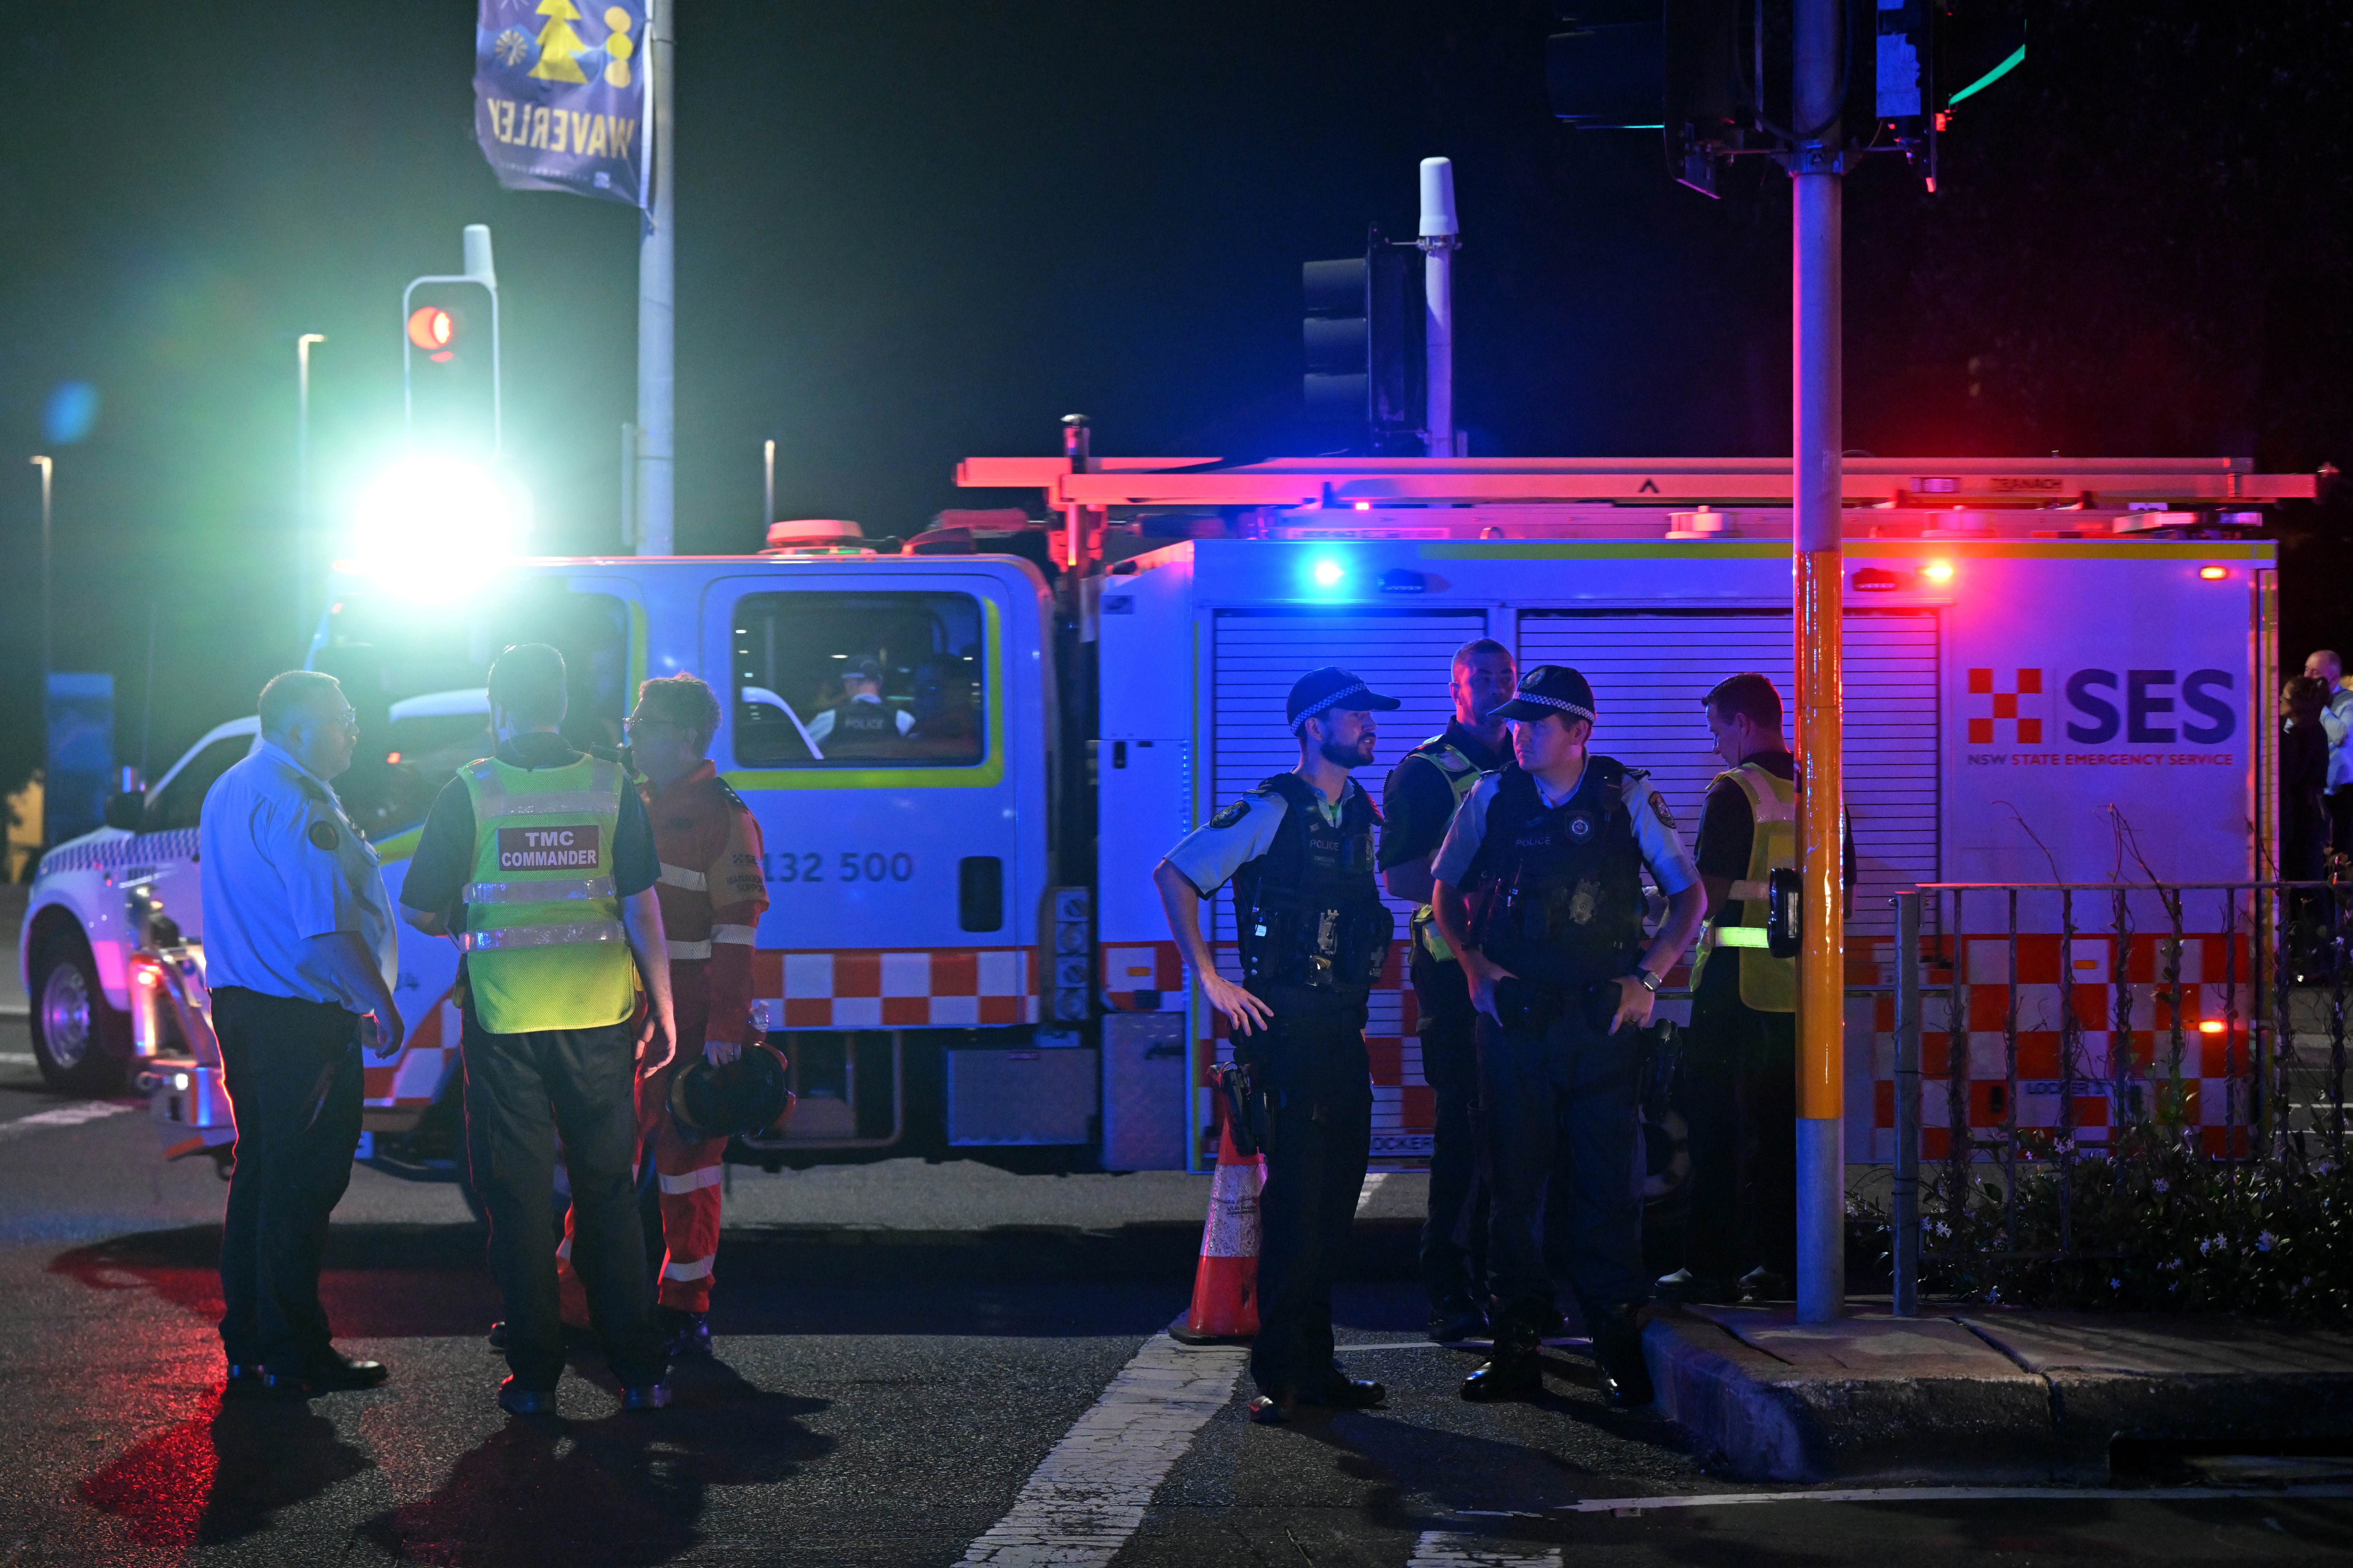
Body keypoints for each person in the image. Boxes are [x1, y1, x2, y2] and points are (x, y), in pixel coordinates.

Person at [398, 643, 679, 1416]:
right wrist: (666, 1009)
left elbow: (419, 907)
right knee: (608, 1195)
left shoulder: (470, 791)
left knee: (518, 1201)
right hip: (599, 1016)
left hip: (506, 1019)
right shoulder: (609, 783)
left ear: (498, 706)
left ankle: (534, 1380)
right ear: (562, 702)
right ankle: (642, 1372)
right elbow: (642, 906)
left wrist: (471, 921)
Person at [1431, 665, 1706, 1406]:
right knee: (1512, 1184)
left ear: (1580, 731)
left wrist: (1647, 978)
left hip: (1600, 1023)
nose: (1516, 733)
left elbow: (1690, 897)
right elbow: (1444, 889)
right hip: (1517, 1024)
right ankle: (1515, 1348)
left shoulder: (1626, 796)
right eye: (1514, 721)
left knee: (1606, 1187)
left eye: (1534, 723)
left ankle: (1617, 1342)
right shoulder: (1492, 794)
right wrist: (1473, 964)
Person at [1152, 666, 1400, 1425]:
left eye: (1368, 715)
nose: (1369, 725)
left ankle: (1316, 1366)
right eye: (1355, 714)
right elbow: (1175, 873)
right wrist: (1210, 978)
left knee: (1332, 1205)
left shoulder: (1361, 810)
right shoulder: (1268, 809)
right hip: (1284, 1031)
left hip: (1339, 1030)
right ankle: (1281, 1374)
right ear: (1313, 725)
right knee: (1295, 1207)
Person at [199, 670, 404, 1399]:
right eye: (340, 718)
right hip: (298, 1019)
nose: (353, 728)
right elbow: (325, 926)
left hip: (244, 1009)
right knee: (302, 1182)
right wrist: (379, 998)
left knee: (261, 1174)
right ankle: (293, 1346)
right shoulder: (301, 802)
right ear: (295, 729)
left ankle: (250, 1339)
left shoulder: (230, 786)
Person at [554, 674, 771, 1359]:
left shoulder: (724, 817)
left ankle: (683, 1306)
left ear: (682, 736)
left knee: (686, 1167)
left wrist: (726, 1035)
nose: (630, 733)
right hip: (625, 1012)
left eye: (643, 725)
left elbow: (736, 933)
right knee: (601, 1162)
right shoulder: (636, 801)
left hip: (690, 1018)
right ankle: (569, 1307)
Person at [1378, 637, 1516, 1345]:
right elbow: (1401, 879)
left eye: (1504, 675)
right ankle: (1450, 1290)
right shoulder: (1425, 772)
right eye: (1480, 676)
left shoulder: (1532, 762)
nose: (1493, 686)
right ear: (1456, 687)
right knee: (1463, 1131)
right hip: (1454, 973)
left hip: (1525, 975)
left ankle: (1508, 1285)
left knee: (1519, 1135)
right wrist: (1471, 876)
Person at [1659, 673, 1801, 1306]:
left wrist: (1654, 916)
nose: (1716, 746)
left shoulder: (1733, 792)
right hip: (1799, 995)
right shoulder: (1822, 791)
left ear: (1743, 723)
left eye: (1717, 730)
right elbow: (1841, 899)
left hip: (1730, 992)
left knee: (1714, 1132)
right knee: (1783, 1137)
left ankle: (1709, 1265)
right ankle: (1781, 1265)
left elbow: (1707, 895)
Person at [807, 656, 913, 751]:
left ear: (850, 683)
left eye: (845, 682)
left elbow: (800, 748)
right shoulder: (903, 720)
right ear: (880, 682)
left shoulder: (831, 719)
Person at [2304, 651, 2353, 857]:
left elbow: (2342, 736)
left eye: (2315, 672)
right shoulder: (2307, 702)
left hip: (2342, 794)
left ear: (2333, 678)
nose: (2307, 676)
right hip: (2316, 790)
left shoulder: (2348, 702)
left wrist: (2321, 709)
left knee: (2341, 855)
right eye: (2306, 669)